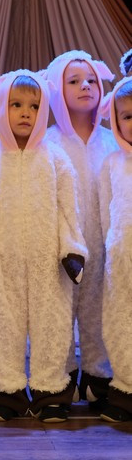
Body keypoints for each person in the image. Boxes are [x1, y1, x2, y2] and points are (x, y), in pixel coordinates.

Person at [0, 70, 87, 423]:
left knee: (53, 328)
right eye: (16, 105)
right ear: (1, 107)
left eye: (34, 106)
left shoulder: (55, 159)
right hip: (3, 266)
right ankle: (8, 394)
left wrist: (72, 250)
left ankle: (51, 393)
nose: (25, 113)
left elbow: (69, 210)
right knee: (4, 330)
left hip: (49, 265)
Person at [45, 50, 117, 409]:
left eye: (91, 80)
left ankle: (96, 374)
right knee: (59, 313)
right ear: (58, 91)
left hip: (104, 247)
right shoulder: (48, 143)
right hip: (61, 249)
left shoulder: (112, 141)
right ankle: (59, 377)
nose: (85, 86)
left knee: (98, 312)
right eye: (74, 81)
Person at [98, 78, 132, 422]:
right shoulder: (111, 164)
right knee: (120, 320)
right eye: (128, 116)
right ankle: (125, 386)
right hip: (121, 260)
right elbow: (106, 213)